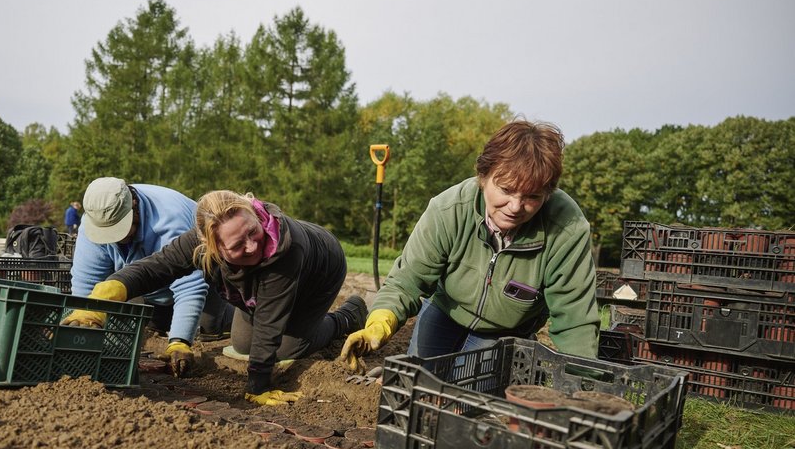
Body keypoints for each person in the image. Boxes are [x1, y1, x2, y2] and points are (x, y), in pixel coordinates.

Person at [341, 119, 599, 372]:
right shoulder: (449, 210)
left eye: (532, 196)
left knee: (466, 400)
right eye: (506, 190)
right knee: (420, 383)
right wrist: (380, 323)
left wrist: (582, 384)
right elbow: (407, 280)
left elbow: (574, 318)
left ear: (548, 193)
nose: (516, 207)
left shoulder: (566, 227)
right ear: (483, 177)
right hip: (446, 311)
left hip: (506, 331)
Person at [77, 190, 368, 406]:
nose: (253, 245)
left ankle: (346, 317)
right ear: (210, 245)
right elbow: (156, 268)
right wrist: (103, 297)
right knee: (242, 343)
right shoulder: (199, 242)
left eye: (253, 231)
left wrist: (257, 386)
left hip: (320, 271)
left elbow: (268, 323)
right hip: (264, 281)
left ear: (254, 215)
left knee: (286, 347)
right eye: (238, 243)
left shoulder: (286, 251)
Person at [61, 178, 235, 376]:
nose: (116, 238)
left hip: (203, 277)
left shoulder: (169, 218)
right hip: (149, 290)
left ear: (134, 207)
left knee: (209, 330)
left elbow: (189, 287)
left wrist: (180, 340)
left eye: (121, 229)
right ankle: (160, 319)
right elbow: (87, 282)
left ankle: (228, 314)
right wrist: (84, 321)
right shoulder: (92, 222)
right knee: (145, 325)